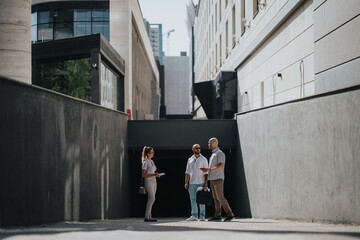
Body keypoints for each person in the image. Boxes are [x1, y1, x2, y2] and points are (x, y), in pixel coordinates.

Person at [201, 137, 235, 221]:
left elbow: (221, 165)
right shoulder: (213, 154)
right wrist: (207, 170)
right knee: (215, 198)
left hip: (218, 178)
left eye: (209, 143)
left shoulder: (220, 153)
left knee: (220, 197)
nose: (208, 145)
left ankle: (230, 214)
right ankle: (217, 215)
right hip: (212, 178)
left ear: (214, 143)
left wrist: (210, 170)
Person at [185, 144, 209, 221]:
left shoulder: (204, 159)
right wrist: (186, 183)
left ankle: (202, 216)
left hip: (201, 183)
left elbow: (206, 173)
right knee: (193, 200)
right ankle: (194, 216)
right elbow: (187, 172)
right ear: (193, 149)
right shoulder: (190, 159)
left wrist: (205, 184)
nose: (198, 149)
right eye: (196, 148)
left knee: (201, 200)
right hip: (192, 183)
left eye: (199, 148)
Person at [141, 146, 162, 222]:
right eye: (152, 152)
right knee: (152, 198)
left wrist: (156, 175)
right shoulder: (145, 162)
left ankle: (149, 216)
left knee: (152, 198)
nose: (153, 153)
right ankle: (147, 216)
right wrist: (154, 175)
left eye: (153, 152)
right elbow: (143, 175)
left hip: (154, 181)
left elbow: (153, 172)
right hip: (148, 181)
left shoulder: (152, 162)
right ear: (148, 154)